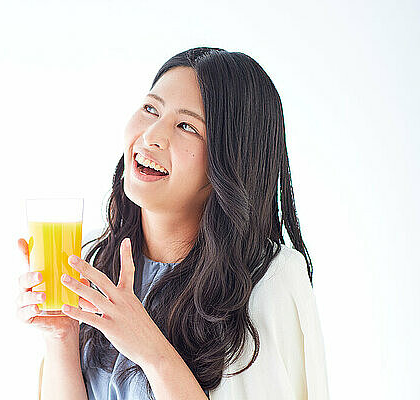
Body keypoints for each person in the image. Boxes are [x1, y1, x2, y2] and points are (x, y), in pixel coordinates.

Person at [17, 47, 330, 399]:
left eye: (186, 126)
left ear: (229, 160)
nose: (151, 135)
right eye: (151, 108)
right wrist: (61, 337)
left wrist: (152, 352)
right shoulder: (91, 260)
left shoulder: (271, 280)